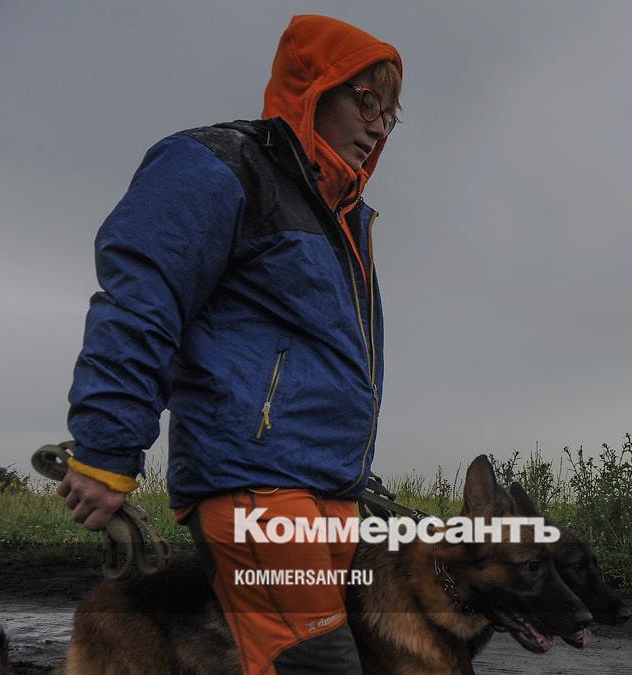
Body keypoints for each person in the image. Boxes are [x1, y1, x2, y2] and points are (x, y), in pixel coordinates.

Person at [57, 15, 402, 674]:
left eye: (391, 114)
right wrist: (106, 446)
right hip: (257, 486)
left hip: (329, 493)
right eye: (367, 102)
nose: (380, 127)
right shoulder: (221, 166)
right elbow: (143, 297)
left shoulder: (344, 220)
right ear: (313, 87)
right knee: (320, 667)